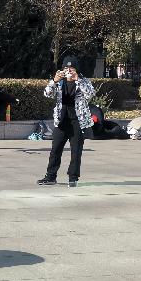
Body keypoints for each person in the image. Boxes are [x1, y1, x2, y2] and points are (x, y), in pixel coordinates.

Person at [37, 55, 95, 188]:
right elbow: (47, 94)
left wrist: (77, 80)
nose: (69, 70)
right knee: (55, 150)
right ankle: (50, 177)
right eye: (66, 68)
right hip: (61, 121)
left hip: (78, 122)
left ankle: (73, 178)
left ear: (76, 69)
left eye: (72, 68)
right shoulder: (60, 82)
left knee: (76, 152)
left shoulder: (83, 81)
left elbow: (90, 94)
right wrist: (54, 81)